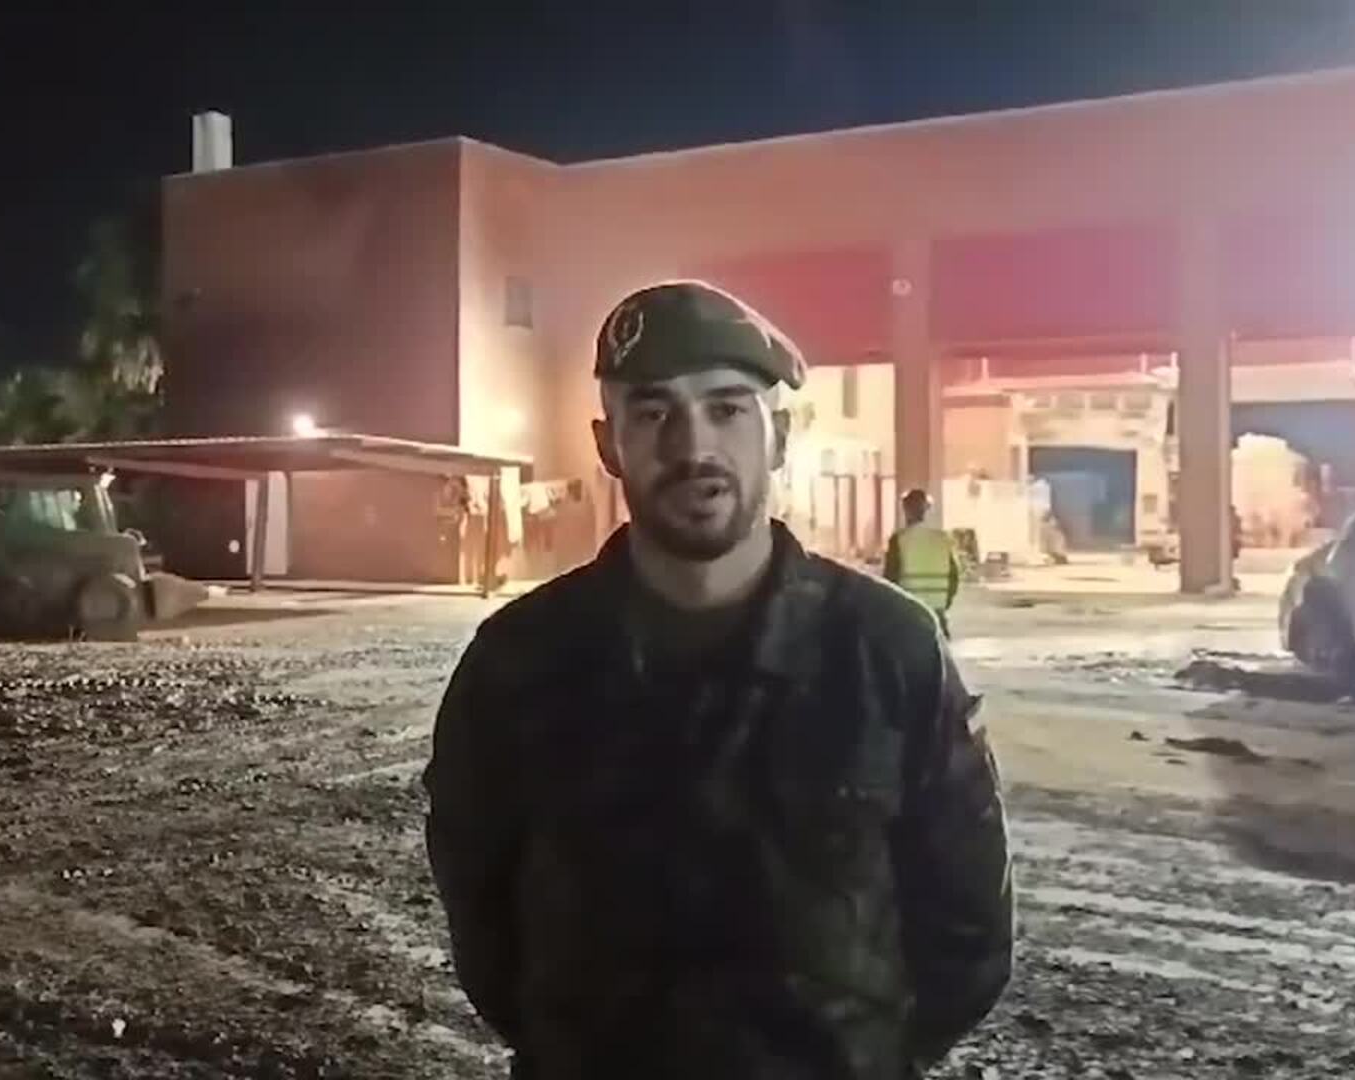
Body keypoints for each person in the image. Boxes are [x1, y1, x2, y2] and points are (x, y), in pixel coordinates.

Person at [424, 281, 1013, 1079]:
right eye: (653, 412)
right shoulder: (519, 662)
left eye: (727, 408)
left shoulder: (887, 651)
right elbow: (484, 923)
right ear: (608, 445)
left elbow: (969, 934)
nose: (692, 445)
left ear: (779, 436)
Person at [884, 488, 963, 638]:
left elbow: (890, 580)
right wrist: (943, 603)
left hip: (909, 613)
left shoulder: (900, 540)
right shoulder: (943, 539)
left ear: (906, 510)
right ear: (927, 510)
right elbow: (954, 577)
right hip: (937, 612)